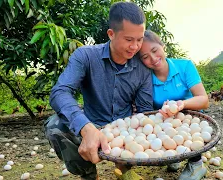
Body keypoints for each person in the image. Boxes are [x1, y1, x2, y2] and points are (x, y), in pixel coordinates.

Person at [44, 2, 153, 180]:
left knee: (146, 124)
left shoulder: (142, 69)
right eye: (128, 40)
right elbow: (59, 92)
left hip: (124, 130)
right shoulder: (85, 56)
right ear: (111, 34)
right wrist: (86, 128)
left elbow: (144, 110)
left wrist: (139, 138)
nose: (135, 47)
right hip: (91, 123)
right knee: (54, 125)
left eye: (139, 39)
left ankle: (125, 168)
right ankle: (88, 173)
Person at [138, 30, 209, 180]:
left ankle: (196, 164)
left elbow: (203, 99)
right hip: (166, 123)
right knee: (154, 125)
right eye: (145, 57)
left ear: (162, 45)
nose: (152, 58)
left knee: (189, 124)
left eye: (154, 50)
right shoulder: (145, 78)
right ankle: (173, 157)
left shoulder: (184, 66)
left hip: (192, 120)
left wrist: (181, 104)